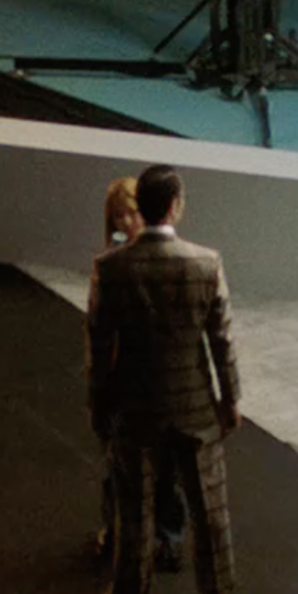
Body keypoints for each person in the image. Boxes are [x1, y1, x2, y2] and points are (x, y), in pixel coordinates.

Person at [86, 165, 240, 594]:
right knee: (210, 512)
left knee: (134, 510)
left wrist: (98, 403)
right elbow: (222, 341)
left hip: (134, 408)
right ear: (175, 206)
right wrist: (230, 400)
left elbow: (99, 344)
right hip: (195, 408)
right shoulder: (206, 264)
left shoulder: (110, 268)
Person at [92, 175, 187, 572]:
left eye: (131, 213)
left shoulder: (171, 261)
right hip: (123, 382)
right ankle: (116, 530)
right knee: (117, 466)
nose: (126, 222)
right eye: (119, 216)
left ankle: (167, 537)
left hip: (160, 382)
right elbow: (99, 331)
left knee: (166, 470)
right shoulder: (109, 266)